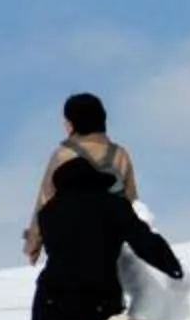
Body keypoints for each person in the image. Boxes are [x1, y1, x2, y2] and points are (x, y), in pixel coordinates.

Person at [27, 153, 185, 320]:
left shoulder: (48, 213)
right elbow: (143, 240)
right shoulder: (113, 205)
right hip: (99, 300)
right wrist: (172, 268)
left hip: (53, 300)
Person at [22, 94, 138, 265]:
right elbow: (132, 200)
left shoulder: (62, 155)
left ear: (71, 125)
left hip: (70, 244)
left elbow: (45, 201)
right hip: (110, 245)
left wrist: (33, 245)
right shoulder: (120, 154)